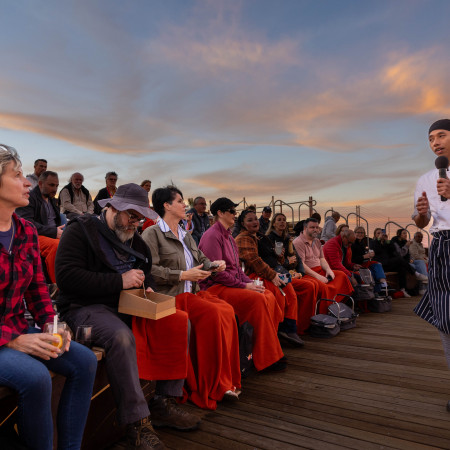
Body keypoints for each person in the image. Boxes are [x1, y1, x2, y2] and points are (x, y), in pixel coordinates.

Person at [56, 183, 200, 449]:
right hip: (84, 308)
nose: (135, 222)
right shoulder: (80, 231)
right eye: (130, 215)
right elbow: (66, 278)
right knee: (120, 337)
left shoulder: (135, 239)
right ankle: (137, 423)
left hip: (127, 305)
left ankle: (163, 401)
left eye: (139, 217)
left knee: (178, 321)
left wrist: (148, 289)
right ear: (112, 207)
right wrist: (118, 281)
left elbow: (147, 273)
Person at [0, 144, 97, 450]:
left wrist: (52, 324)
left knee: (83, 360)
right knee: (36, 377)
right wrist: (11, 341)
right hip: (4, 336)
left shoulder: (26, 230)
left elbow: (38, 290)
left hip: (17, 328)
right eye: (17, 175)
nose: (27, 182)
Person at [141, 186, 241, 409]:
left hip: (192, 294)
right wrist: (182, 275)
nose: (184, 204)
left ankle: (224, 379)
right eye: (179, 201)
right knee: (215, 314)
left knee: (226, 310)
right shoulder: (152, 233)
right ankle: (213, 384)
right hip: (171, 297)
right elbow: (149, 270)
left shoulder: (186, 235)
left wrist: (215, 265)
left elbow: (202, 259)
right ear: (166, 206)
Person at [198, 198, 286, 372]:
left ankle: (267, 349)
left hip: (230, 284)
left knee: (267, 293)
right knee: (257, 299)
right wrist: (244, 286)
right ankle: (265, 359)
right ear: (220, 213)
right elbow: (217, 273)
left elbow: (237, 270)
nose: (234, 214)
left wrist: (250, 282)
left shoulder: (229, 237)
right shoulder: (211, 236)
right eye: (231, 211)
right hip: (214, 288)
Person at [413, 119, 450, 413]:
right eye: (430, 139)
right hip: (440, 246)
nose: (435, 142)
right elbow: (421, 222)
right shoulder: (426, 179)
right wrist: (422, 215)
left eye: (441, 135)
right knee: (445, 316)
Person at [235, 210, 304, 346]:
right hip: (252, 276)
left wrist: (280, 256)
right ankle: (279, 331)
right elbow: (254, 261)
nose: (255, 222)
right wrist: (273, 275)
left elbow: (272, 258)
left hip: (266, 272)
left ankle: (288, 328)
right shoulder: (243, 238)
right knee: (282, 290)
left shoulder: (259, 237)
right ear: (243, 224)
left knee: (289, 289)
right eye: (250, 220)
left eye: (255, 219)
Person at [266, 213, 321, 335]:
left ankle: (307, 322)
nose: (282, 222)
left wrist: (300, 273)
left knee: (313, 283)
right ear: (273, 223)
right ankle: (299, 326)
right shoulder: (269, 239)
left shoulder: (287, 239)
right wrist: (287, 262)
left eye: (284, 220)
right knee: (309, 286)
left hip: (292, 272)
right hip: (279, 274)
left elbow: (298, 260)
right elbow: (272, 262)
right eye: (279, 220)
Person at [293, 217, 353, 310]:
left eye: (317, 227)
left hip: (320, 269)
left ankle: (337, 308)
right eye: (312, 227)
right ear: (305, 229)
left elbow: (322, 258)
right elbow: (302, 265)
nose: (316, 230)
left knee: (342, 275)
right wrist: (318, 277)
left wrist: (328, 270)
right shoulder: (298, 242)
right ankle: (324, 311)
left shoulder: (316, 241)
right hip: (308, 273)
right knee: (324, 287)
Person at [16, 170, 63, 283]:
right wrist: (53, 232)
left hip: (54, 232)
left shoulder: (52, 200)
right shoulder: (29, 198)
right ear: (40, 184)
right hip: (36, 235)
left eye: (56, 185)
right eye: (51, 185)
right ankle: (56, 285)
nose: (55, 189)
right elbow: (27, 223)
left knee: (77, 242)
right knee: (56, 246)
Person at [371, 229, 427, 297]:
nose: (381, 234)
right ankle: (416, 274)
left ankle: (402, 289)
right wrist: (379, 239)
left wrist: (387, 240)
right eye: (378, 233)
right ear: (375, 235)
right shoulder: (373, 242)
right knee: (399, 259)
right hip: (381, 265)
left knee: (401, 267)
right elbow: (375, 249)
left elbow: (392, 250)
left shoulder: (386, 243)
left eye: (381, 233)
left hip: (388, 264)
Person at [351, 226, 387, 291]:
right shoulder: (352, 244)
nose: (360, 234)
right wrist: (364, 256)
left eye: (362, 233)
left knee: (377, 264)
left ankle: (383, 282)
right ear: (354, 233)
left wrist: (370, 255)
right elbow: (352, 259)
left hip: (363, 263)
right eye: (358, 232)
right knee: (371, 272)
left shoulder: (362, 243)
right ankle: (377, 290)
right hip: (355, 265)